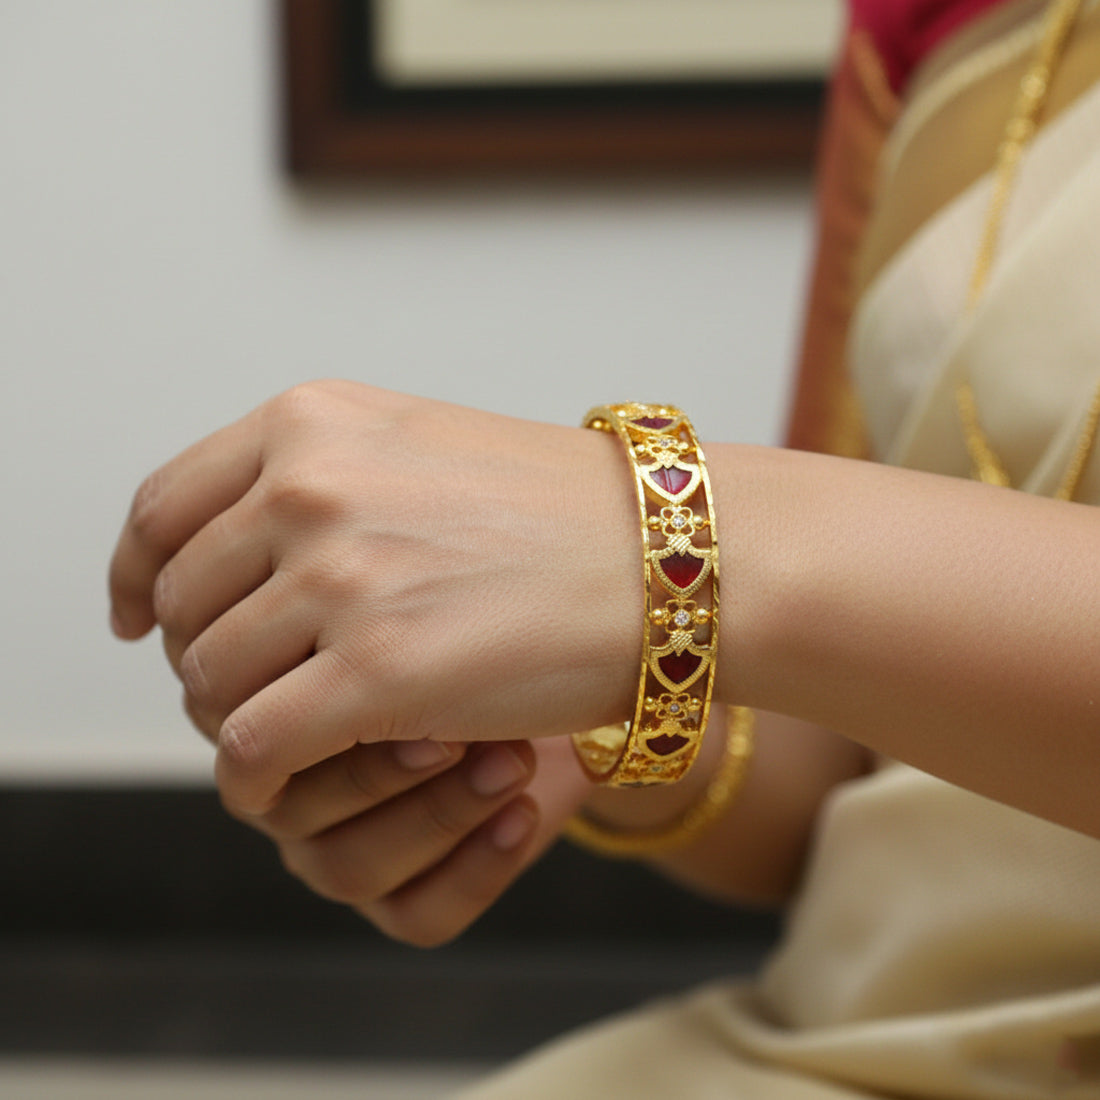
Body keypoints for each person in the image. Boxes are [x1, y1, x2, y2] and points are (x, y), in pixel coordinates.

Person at [108, 0, 1100, 1095]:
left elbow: (764, 576)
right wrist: (594, 703)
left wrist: (667, 540)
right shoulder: (926, 21)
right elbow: (840, 775)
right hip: (864, 1040)